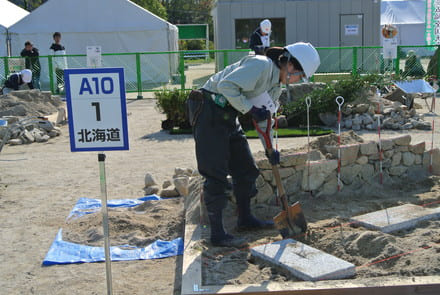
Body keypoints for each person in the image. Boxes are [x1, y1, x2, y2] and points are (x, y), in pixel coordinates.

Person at [187, 42, 320, 247]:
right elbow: (225, 86)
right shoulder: (261, 65)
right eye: (300, 75)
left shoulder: (275, 86)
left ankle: (245, 220)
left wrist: (270, 149)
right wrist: (250, 109)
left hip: (229, 115)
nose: (297, 80)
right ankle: (217, 234)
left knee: (246, 169)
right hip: (208, 109)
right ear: (289, 64)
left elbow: (264, 120)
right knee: (216, 173)